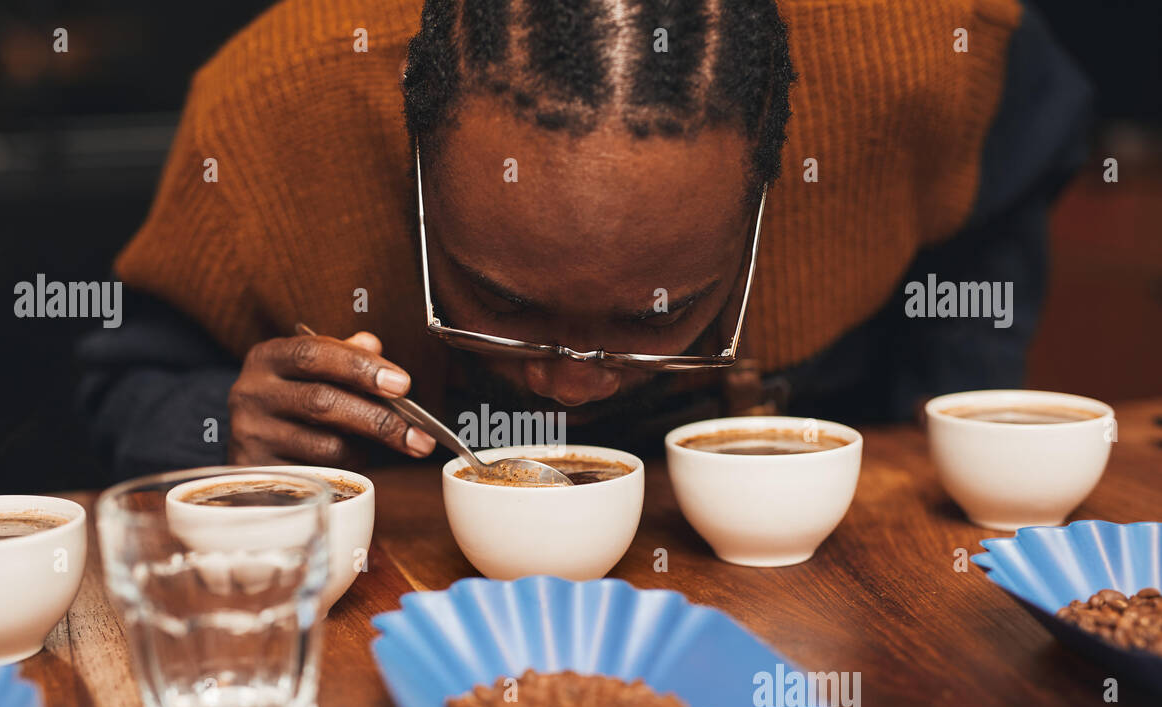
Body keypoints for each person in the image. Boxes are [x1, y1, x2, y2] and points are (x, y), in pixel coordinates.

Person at [78, 0, 1091, 478]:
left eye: (657, 312)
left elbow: (1015, 179)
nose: (569, 386)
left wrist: (939, 414)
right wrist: (221, 427)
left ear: (775, 176)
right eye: (504, 302)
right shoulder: (269, 111)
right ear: (413, 166)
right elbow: (114, 388)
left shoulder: (928, 53)